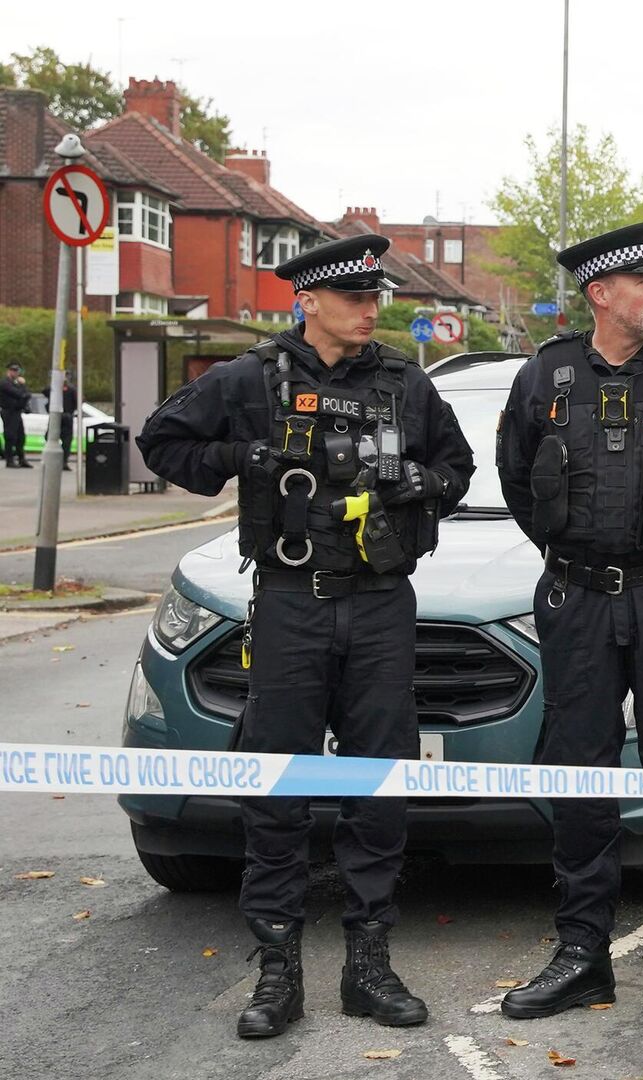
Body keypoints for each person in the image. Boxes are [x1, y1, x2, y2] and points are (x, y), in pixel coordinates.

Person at [136, 234, 475, 1038]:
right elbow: (163, 443)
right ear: (309, 301)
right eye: (355, 298)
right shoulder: (250, 379)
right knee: (277, 786)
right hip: (290, 602)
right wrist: (246, 457)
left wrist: (415, 482)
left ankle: (369, 964)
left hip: (383, 604)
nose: (370, 310)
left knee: (379, 784)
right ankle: (279, 969)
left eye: (375, 299)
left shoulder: (403, 383)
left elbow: (458, 471)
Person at [496, 221, 643, 1025]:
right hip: (575, 598)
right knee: (579, 775)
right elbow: (519, 481)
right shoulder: (546, 377)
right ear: (601, 294)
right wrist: (579, 557)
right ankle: (582, 956)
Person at [0, 364, 29, 468]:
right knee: (10, 436)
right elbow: (18, 394)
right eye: (14, 370)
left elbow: (26, 395)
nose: (16, 373)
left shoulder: (16, 383)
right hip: (8, 412)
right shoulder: (5, 383)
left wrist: (22, 386)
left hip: (17, 412)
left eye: (17, 371)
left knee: (21, 436)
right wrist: (22, 388)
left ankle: (21, 459)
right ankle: (9, 460)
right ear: (9, 371)